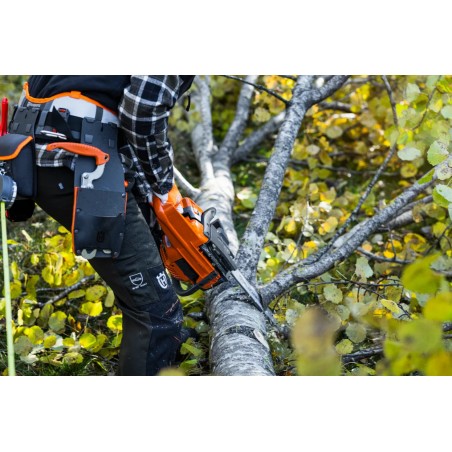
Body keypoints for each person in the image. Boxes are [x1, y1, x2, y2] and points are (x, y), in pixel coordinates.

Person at [11, 75, 195, 375]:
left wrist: (151, 206)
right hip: (76, 159)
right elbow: (142, 111)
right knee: (157, 312)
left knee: (144, 289)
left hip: (35, 146)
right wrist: (163, 188)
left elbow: (113, 115)